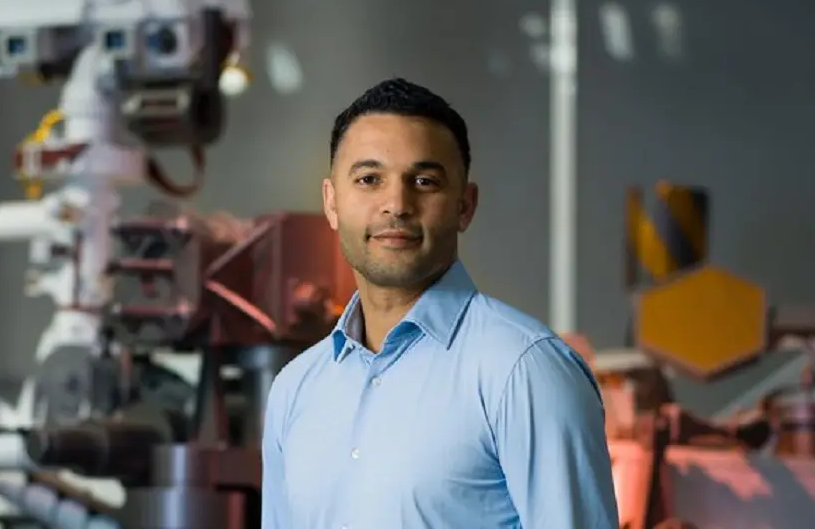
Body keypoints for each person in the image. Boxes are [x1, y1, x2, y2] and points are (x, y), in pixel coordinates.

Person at [260, 78, 619, 529]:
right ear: (332, 202)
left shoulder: (523, 371)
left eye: (424, 181)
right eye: (369, 180)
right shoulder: (295, 389)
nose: (396, 203)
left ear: (464, 206)